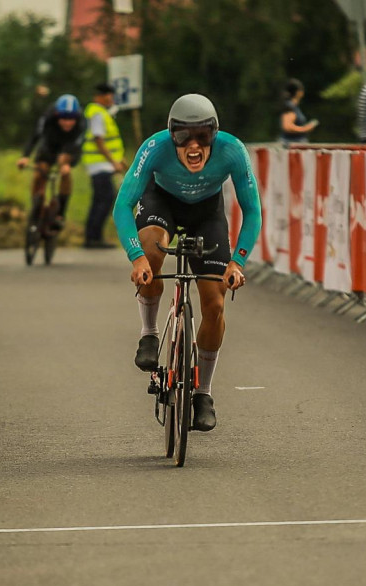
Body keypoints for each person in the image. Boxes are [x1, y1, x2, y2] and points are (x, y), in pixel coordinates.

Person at [113, 94, 262, 432]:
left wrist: (237, 262)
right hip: (160, 201)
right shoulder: (154, 148)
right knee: (152, 251)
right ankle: (149, 333)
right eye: (183, 137)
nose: (194, 146)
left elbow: (252, 210)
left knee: (215, 304)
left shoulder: (233, 150)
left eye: (204, 136)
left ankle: (203, 394)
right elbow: (123, 206)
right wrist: (136, 258)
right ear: (172, 136)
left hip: (206, 213)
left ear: (215, 134)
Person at [17, 94, 87, 231]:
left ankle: (60, 213)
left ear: (76, 116)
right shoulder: (47, 117)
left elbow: (78, 143)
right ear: (56, 114)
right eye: (63, 118)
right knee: (39, 172)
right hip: (50, 144)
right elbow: (36, 135)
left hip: (70, 146)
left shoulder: (82, 121)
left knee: (64, 169)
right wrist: (25, 156)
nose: (67, 123)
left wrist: (67, 164)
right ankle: (36, 208)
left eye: (71, 119)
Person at [82, 83, 126, 248]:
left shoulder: (101, 113)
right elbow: (98, 140)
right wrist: (113, 161)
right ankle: (93, 237)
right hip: (99, 164)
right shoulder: (97, 113)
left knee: (100, 200)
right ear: (99, 96)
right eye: (108, 95)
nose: (111, 98)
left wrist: (119, 159)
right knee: (105, 199)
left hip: (102, 164)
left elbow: (109, 141)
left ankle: (92, 237)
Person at [279, 78, 318, 146]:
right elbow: (287, 127)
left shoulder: (293, 106)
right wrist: (305, 129)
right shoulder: (290, 106)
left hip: (296, 143)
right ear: (298, 92)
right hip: (290, 144)